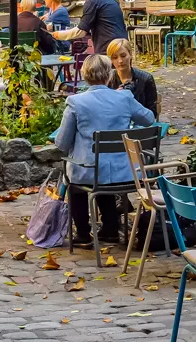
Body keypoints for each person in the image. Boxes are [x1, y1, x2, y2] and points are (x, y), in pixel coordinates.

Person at [54, 54, 155, 248]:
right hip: (127, 172)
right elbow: (149, 119)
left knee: (77, 180)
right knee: (104, 170)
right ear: (109, 75)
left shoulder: (76, 102)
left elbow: (62, 143)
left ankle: (83, 234)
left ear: (84, 75)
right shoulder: (124, 97)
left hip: (91, 171)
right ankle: (110, 229)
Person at [52, 0, 129, 55]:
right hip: (123, 47)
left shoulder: (92, 1)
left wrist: (59, 34)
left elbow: (81, 31)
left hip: (107, 49)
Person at [106, 38, 158, 116]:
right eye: (115, 57)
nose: (120, 61)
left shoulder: (146, 79)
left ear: (130, 54)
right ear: (111, 60)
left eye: (123, 56)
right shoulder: (107, 79)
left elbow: (152, 112)